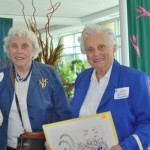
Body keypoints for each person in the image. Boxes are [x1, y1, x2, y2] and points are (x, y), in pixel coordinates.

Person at [70, 24, 150, 150]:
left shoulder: (134, 79)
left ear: (114, 48)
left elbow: (147, 123)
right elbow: (73, 118)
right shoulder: (82, 78)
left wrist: (124, 147)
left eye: (101, 47)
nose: (96, 53)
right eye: (90, 49)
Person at [0, 27, 72, 150]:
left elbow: (63, 112)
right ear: (8, 50)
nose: (19, 51)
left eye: (24, 46)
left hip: (41, 145)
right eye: (14, 46)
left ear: (33, 49)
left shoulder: (49, 73)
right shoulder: (2, 76)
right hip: (8, 145)